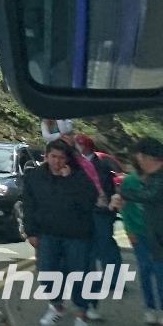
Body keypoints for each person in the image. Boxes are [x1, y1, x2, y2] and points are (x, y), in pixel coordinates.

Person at [22, 139, 98, 325]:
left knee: (78, 274)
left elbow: (89, 201)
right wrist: (31, 232)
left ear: (67, 159)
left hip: (77, 235)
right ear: (46, 156)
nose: (56, 161)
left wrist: (70, 179)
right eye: (53, 156)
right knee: (47, 272)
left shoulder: (78, 176)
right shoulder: (34, 176)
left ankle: (82, 312)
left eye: (61, 157)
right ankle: (56, 306)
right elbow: (29, 205)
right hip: (47, 233)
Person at [73, 135, 123, 322]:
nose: (77, 147)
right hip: (83, 216)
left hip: (100, 215)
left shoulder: (101, 166)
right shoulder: (75, 166)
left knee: (104, 249)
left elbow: (106, 190)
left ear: (86, 146)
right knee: (87, 257)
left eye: (79, 144)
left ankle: (111, 283)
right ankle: (86, 302)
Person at [120, 137, 163, 326]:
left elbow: (151, 195)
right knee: (148, 271)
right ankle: (152, 309)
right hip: (149, 235)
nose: (138, 162)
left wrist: (122, 194)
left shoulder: (158, 178)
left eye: (139, 158)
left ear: (146, 157)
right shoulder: (142, 178)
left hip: (157, 237)